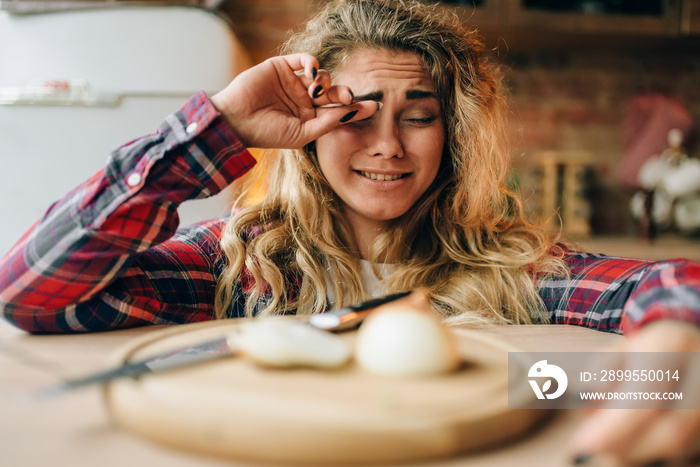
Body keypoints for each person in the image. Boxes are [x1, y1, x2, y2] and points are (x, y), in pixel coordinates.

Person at [0, 0, 698, 464]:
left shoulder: (506, 268)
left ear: (449, 134)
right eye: (358, 113)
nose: (387, 144)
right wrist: (215, 127)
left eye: (417, 115)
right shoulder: (241, 263)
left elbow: (653, 293)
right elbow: (34, 292)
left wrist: (666, 348)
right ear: (310, 130)